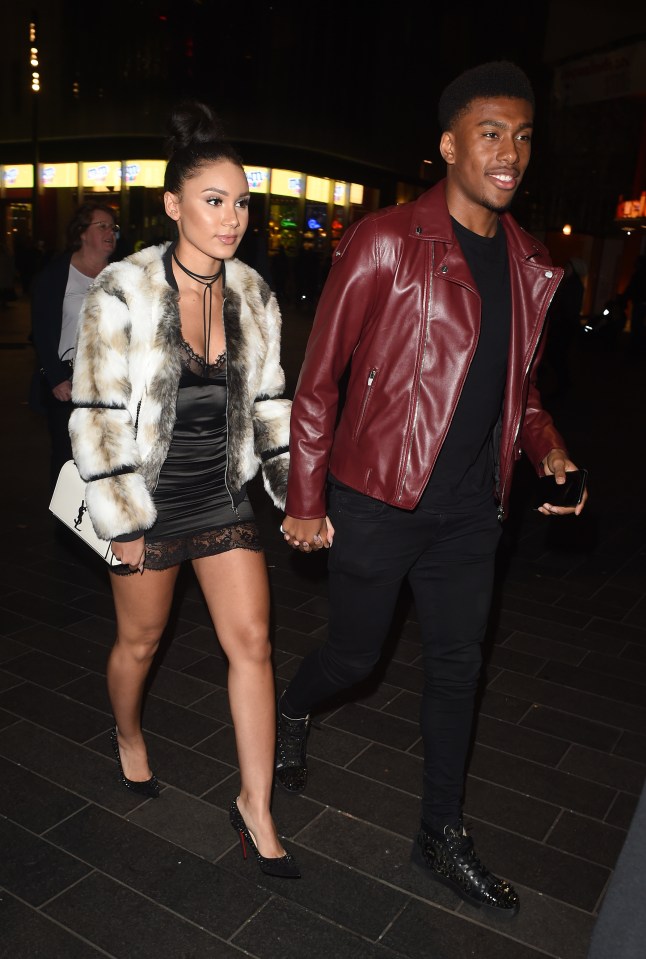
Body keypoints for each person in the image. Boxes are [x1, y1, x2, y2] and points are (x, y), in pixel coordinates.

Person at [276, 61, 588, 917]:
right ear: (449, 144)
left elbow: (516, 391)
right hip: (377, 495)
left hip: (469, 514)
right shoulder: (386, 240)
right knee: (354, 656)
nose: (510, 153)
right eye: (491, 133)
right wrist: (306, 501)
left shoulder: (528, 260)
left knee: (459, 670)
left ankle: (439, 834)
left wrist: (548, 450)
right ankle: (292, 707)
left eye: (523, 137)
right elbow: (318, 380)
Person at [69, 102, 299, 878]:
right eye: (214, 200)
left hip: (224, 495)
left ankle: (256, 806)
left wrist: (294, 492)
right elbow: (96, 410)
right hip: (148, 497)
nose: (231, 217)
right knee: (141, 641)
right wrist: (121, 516)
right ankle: (128, 732)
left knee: (254, 643)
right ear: (173, 204)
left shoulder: (256, 297)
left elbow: (271, 405)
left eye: (241, 203)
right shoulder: (122, 288)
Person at [31, 202, 118, 490]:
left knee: (108, 455)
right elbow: (42, 330)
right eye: (102, 226)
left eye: (113, 227)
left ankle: (105, 522)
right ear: (82, 232)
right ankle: (68, 526)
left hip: (111, 381)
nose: (110, 233)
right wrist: (54, 377)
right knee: (69, 458)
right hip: (69, 382)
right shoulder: (56, 274)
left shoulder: (121, 275)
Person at [542, 256, 587, 395]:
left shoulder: (572, 284)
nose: (565, 269)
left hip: (564, 324)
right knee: (558, 354)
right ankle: (564, 382)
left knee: (557, 353)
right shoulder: (572, 283)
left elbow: (568, 307)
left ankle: (564, 383)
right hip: (564, 324)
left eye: (568, 267)